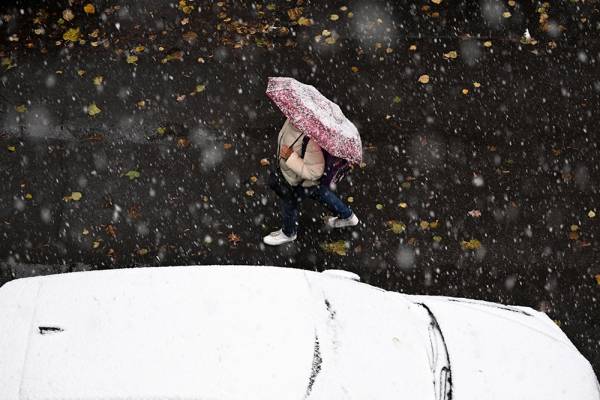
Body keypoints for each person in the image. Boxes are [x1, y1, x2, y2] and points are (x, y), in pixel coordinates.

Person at [263, 119, 359, 246]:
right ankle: (347, 216)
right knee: (320, 193)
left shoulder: (311, 141)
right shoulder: (293, 120)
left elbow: (314, 173)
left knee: (288, 203)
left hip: (300, 181)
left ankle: (288, 233)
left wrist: (290, 157)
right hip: (298, 177)